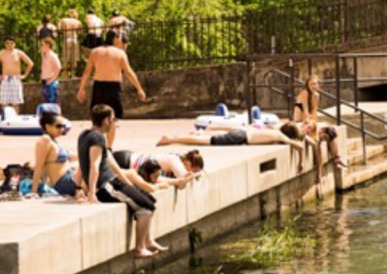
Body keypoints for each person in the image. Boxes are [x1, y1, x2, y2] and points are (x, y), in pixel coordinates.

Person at [78, 104, 161, 257]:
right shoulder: (97, 137)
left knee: (150, 199)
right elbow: (94, 166)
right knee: (146, 208)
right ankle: (140, 248)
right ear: (107, 120)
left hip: (114, 182)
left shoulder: (85, 134)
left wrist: (129, 184)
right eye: (114, 119)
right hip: (106, 187)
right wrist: (91, 194)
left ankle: (149, 240)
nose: (115, 124)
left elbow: (112, 164)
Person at [76, 30, 147, 144]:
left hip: (99, 86)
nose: (120, 40)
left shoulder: (95, 52)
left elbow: (87, 71)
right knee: (111, 119)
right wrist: (139, 88)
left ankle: (96, 144)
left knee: (97, 118)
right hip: (113, 88)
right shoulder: (120, 53)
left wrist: (81, 88)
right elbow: (128, 72)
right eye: (119, 37)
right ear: (114, 38)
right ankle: (108, 147)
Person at [294, 74, 348, 169]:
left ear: (318, 85)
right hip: (299, 122)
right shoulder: (304, 93)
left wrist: (316, 125)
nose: (314, 86)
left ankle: (336, 158)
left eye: (315, 84)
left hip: (309, 121)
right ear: (307, 85)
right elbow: (306, 111)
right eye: (311, 84)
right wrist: (313, 126)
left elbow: (314, 112)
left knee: (331, 131)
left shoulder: (316, 95)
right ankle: (325, 163)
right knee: (319, 135)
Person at [156, 122, 308, 151]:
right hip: (240, 138)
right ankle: (171, 139)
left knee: (208, 139)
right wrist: (301, 141)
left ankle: (175, 138)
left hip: (241, 135)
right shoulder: (280, 136)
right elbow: (296, 146)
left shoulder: (275, 130)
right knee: (206, 142)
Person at [31, 111, 81, 197]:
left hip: (71, 177)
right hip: (64, 182)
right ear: (47, 126)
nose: (62, 129)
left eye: (63, 126)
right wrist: (34, 192)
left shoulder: (53, 142)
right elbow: (39, 166)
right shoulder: (44, 140)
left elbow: (75, 156)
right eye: (58, 126)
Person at [113, 149, 204, 188]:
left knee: (155, 178)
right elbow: (183, 181)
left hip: (129, 164)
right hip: (125, 161)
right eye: (193, 170)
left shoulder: (175, 165)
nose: (191, 172)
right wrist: (193, 176)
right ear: (188, 163)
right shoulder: (174, 159)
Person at [0, 37, 33, 113]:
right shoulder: (1, 53)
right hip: (5, 78)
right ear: (5, 44)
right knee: (4, 102)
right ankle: (5, 118)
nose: (9, 45)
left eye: (11, 43)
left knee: (15, 103)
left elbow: (30, 63)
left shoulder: (18, 53)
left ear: (14, 44)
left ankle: (15, 120)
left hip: (15, 78)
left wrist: (24, 75)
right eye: (7, 43)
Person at [58, 8, 83, 75]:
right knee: (74, 58)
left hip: (66, 39)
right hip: (74, 39)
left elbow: (59, 29)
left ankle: (65, 74)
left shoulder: (63, 20)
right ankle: (73, 74)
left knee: (66, 58)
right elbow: (80, 32)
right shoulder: (78, 22)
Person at [39, 37, 62, 104]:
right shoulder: (45, 55)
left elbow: (59, 67)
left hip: (50, 81)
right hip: (44, 81)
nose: (41, 46)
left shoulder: (52, 55)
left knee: (54, 101)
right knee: (47, 102)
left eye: (42, 45)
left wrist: (52, 79)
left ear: (47, 45)